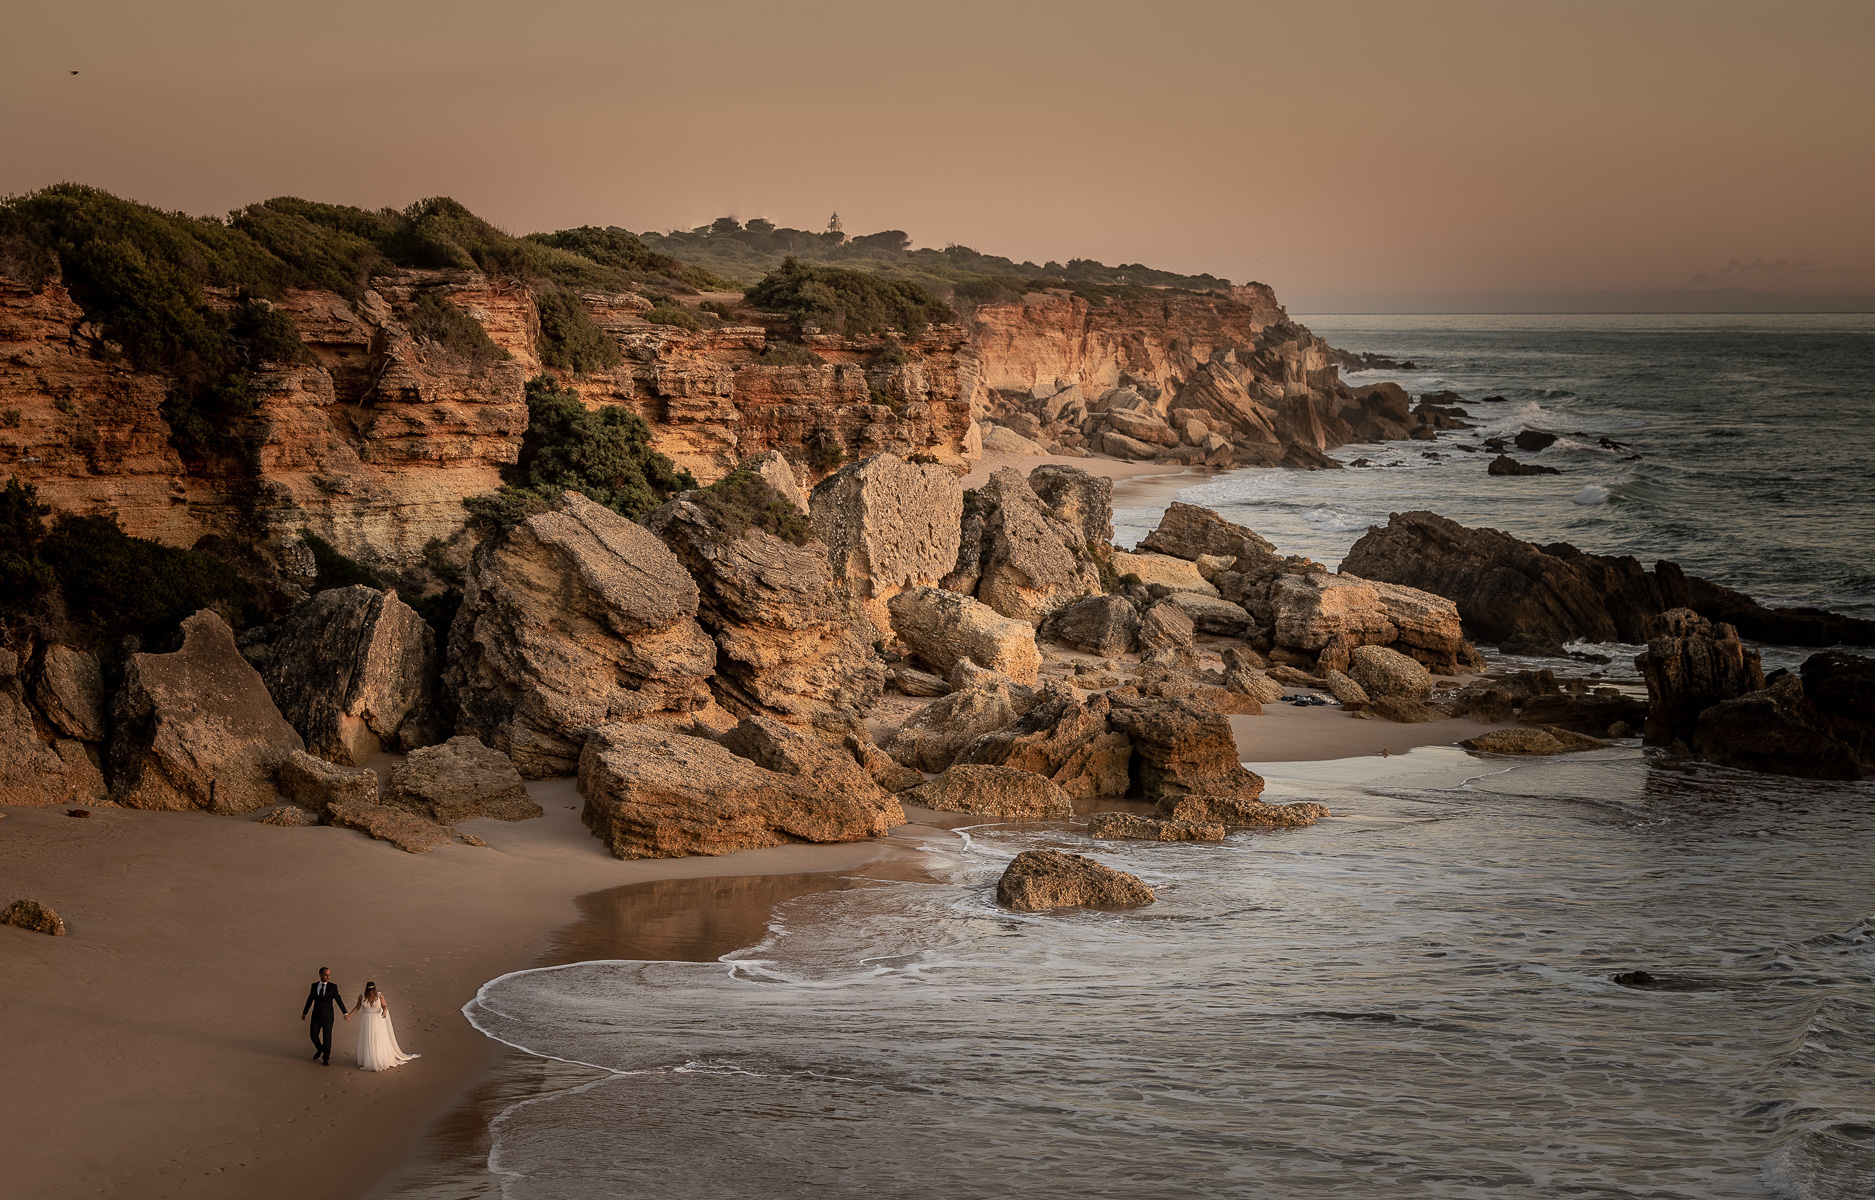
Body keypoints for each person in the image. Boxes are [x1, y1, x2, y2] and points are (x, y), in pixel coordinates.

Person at [345, 981, 420, 1072]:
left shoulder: (379, 995)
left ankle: (378, 1059)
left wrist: (384, 1011)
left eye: (373, 990)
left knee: (377, 1040)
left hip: (377, 1021)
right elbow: (357, 1007)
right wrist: (350, 1015)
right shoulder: (362, 996)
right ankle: (369, 1060)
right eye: (369, 990)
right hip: (366, 1021)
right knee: (368, 1039)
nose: (371, 992)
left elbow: (384, 1006)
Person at [301, 967, 348, 1066]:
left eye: (329, 975)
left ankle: (326, 1058)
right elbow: (310, 999)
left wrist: (345, 1013)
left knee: (327, 1038)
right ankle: (320, 1049)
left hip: (328, 1017)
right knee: (313, 1035)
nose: (328, 977)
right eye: (326, 975)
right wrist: (305, 1012)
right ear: (320, 974)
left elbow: (338, 1000)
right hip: (316, 1016)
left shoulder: (333, 987)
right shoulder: (314, 986)